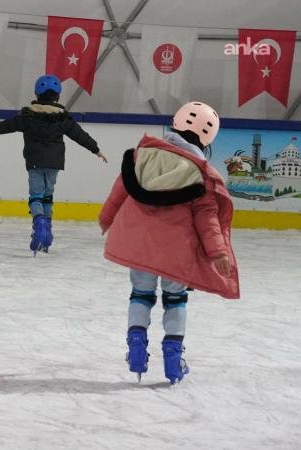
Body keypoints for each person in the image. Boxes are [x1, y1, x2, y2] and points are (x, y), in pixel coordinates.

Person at [98, 101, 240, 384]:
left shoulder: (142, 156)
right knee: (175, 299)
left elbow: (120, 190)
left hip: (138, 244)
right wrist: (218, 251)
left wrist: (106, 218)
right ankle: (173, 359)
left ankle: (136, 348)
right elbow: (206, 217)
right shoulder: (201, 173)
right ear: (207, 137)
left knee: (141, 293)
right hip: (176, 251)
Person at [0, 74, 107, 253]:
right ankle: (47, 232)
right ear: (57, 96)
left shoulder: (27, 116)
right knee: (47, 197)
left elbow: (4, 126)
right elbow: (80, 135)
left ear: (36, 95)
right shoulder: (63, 118)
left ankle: (40, 223)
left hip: (34, 162)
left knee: (36, 196)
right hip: (54, 164)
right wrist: (95, 149)